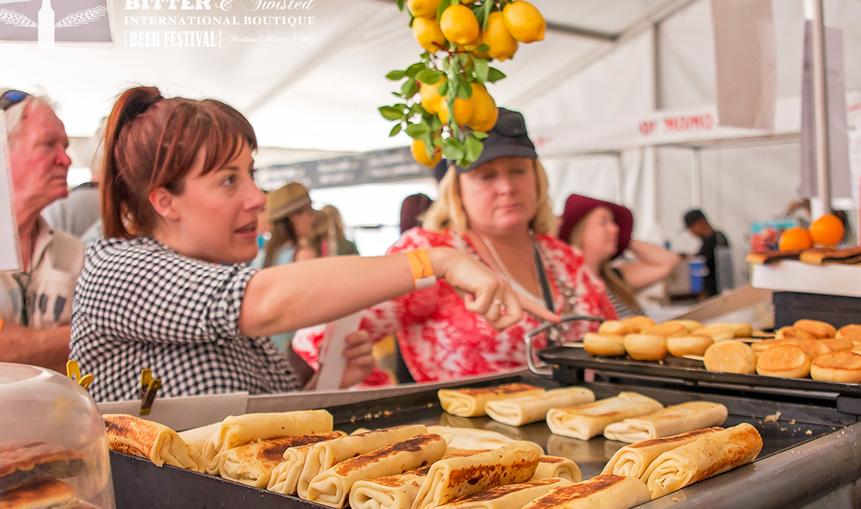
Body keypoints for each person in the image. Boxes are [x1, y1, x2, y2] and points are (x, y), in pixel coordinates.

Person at [69, 87, 553, 402]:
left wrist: (317, 379)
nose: (257, 197)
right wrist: (438, 261)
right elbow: (266, 302)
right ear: (165, 201)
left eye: (251, 175)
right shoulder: (116, 268)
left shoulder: (214, 281)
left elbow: (249, 418)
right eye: (228, 181)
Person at [293, 108, 612, 384]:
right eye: (486, 176)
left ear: (538, 178)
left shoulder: (562, 256)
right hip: (474, 447)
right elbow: (319, 335)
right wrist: (382, 400)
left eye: (519, 170)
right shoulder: (430, 253)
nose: (507, 187)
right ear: (456, 189)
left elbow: (617, 336)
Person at [0, 89, 84, 373]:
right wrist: (86, 335)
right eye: (49, 144)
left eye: (65, 146)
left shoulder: (74, 253)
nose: (66, 159)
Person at [559, 194, 679, 318]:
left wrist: (626, 239)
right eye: (603, 222)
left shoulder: (615, 278)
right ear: (580, 231)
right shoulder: (565, 286)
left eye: (613, 223)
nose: (615, 228)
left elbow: (669, 261)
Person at [258, 182, 318, 268]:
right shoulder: (302, 256)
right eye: (310, 213)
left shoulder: (261, 256)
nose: (312, 220)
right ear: (293, 217)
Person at [683, 208, 731, 297]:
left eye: (691, 228)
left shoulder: (717, 239)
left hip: (717, 295)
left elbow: (703, 262)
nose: (691, 233)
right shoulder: (708, 241)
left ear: (699, 223)